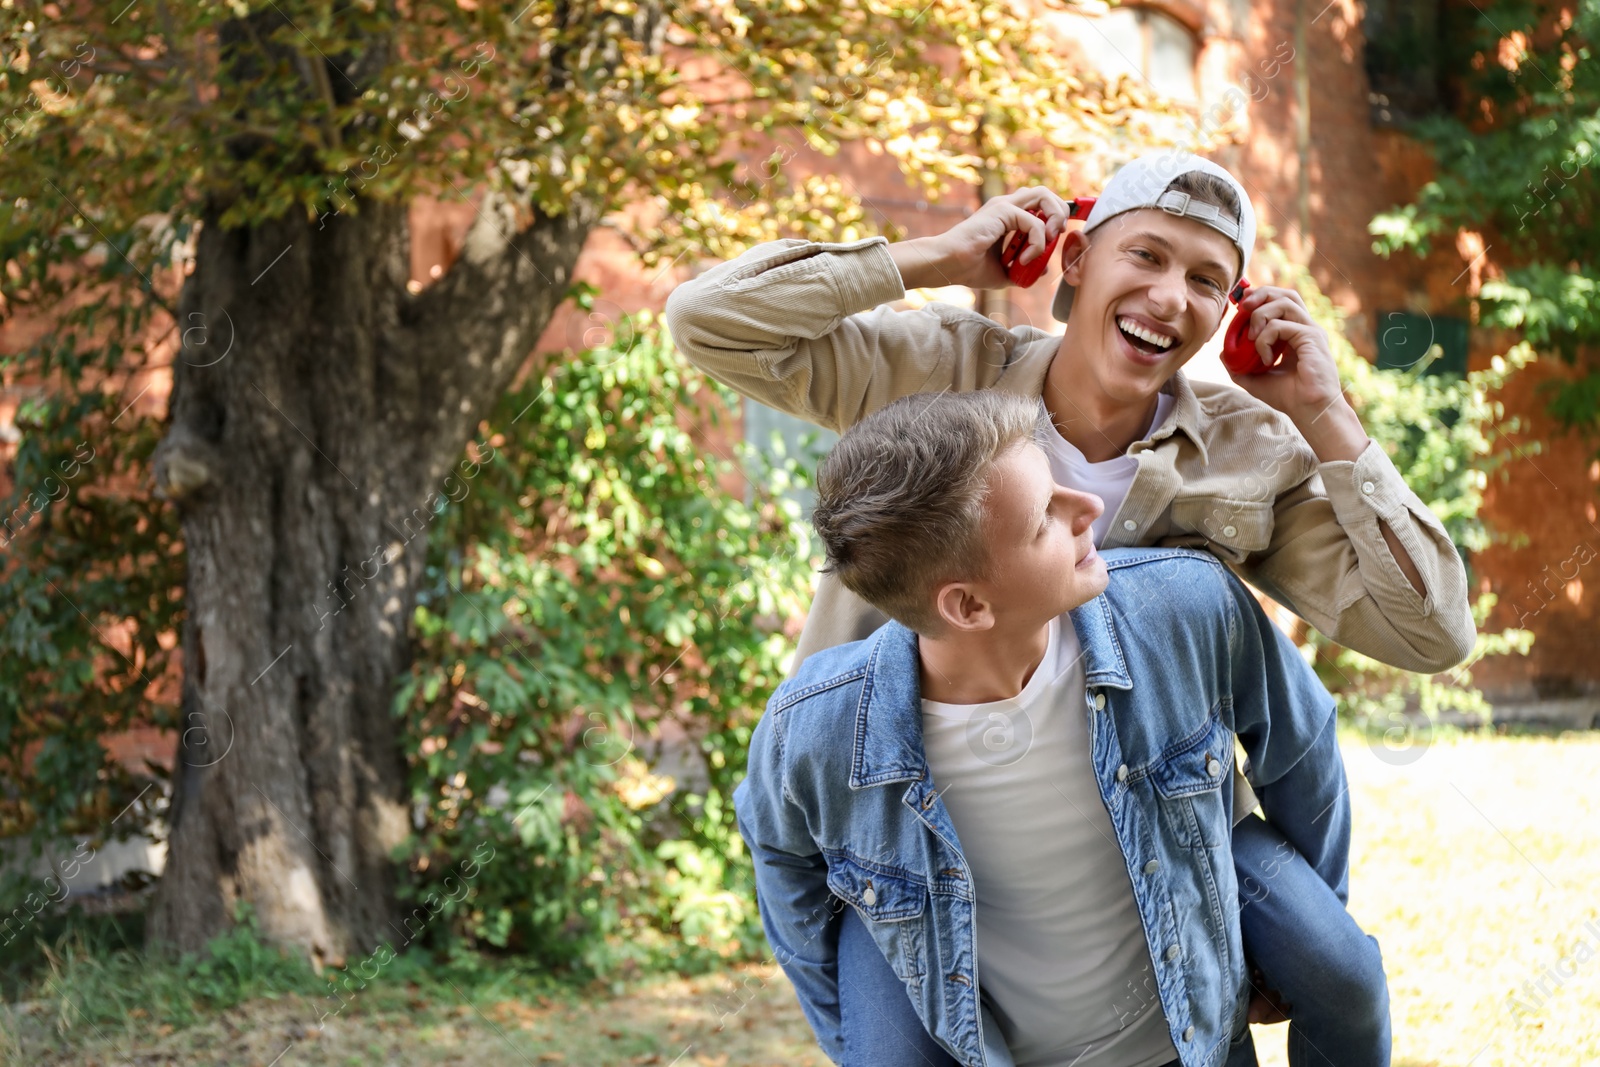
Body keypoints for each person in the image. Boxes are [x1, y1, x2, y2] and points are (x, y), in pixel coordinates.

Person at [666, 149, 1474, 1066]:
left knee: (1339, 966)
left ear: (1229, 313)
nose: (1172, 296)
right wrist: (937, 255)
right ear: (1078, 257)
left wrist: (1327, 413)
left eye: (1209, 279)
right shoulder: (942, 369)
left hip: (1157, 808)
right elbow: (708, 322)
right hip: (913, 806)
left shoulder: (1248, 452)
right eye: (1148, 256)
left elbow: (1431, 631)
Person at [733, 389, 1355, 1067]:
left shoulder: (1188, 604)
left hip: (1191, 1042)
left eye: (1060, 480)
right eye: (1044, 519)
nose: (1088, 507)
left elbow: (1303, 750)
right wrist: (850, 1037)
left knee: (1351, 976)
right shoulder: (816, 730)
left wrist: (1295, 946)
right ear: (968, 604)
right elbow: (784, 864)